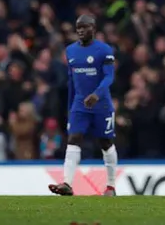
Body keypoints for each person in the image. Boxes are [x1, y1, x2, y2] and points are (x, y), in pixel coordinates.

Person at [48, 14, 118, 196]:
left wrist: (97, 94)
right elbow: (71, 81)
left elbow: (109, 76)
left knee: (105, 142)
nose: (80, 31)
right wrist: (70, 107)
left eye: (84, 27)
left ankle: (111, 186)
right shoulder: (70, 50)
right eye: (78, 27)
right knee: (73, 138)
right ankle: (67, 184)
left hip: (101, 103)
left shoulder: (104, 50)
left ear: (93, 28)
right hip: (80, 103)